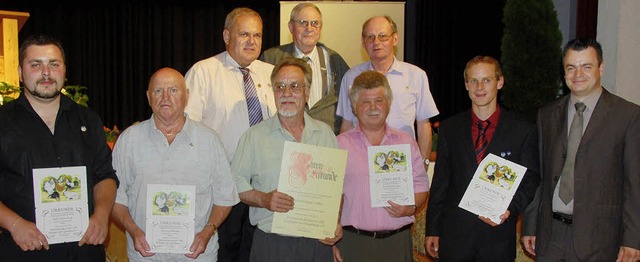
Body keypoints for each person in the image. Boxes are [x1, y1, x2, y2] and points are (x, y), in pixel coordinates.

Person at [0, 34, 119, 261]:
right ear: (19, 72)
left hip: (85, 250)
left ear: (64, 69)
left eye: (53, 64)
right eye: (36, 65)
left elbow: (105, 176)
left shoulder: (88, 119)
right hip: (22, 251)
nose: (46, 73)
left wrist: (102, 215)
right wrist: (14, 224)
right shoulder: (3, 122)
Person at [522, 38, 640, 261]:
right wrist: (530, 224)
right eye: (571, 67)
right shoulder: (546, 115)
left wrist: (633, 238)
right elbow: (539, 175)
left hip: (600, 239)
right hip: (551, 237)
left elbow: (635, 184)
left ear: (601, 68)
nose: (578, 74)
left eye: (586, 66)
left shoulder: (628, 116)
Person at [110, 68, 239, 261]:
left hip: (196, 256)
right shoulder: (129, 140)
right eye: (158, 91)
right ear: (148, 96)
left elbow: (225, 198)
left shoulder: (209, 141)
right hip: (145, 256)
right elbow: (116, 199)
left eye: (173, 90)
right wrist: (134, 230)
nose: (165, 97)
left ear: (186, 95)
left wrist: (207, 233)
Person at [424, 56, 539, 260]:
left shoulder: (522, 130)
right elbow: (441, 181)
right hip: (455, 237)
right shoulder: (450, 129)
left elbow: (530, 179)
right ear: (466, 84)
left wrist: (510, 209)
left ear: (500, 82)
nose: (479, 87)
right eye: (473, 80)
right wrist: (433, 228)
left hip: (497, 237)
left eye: (486, 80)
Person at [184, 7, 275, 262]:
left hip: (264, 186)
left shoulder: (271, 75)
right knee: (226, 255)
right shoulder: (203, 73)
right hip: (224, 188)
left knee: (257, 254)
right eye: (244, 34)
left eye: (257, 36)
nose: (251, 41)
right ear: (226, 36)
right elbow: (188, 131)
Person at [232, 57, 341, 261]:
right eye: (280, 87)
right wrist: (264, 199)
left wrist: (335, 222)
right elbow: (235, 184)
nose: (287, 93)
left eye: (295, 86)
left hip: (317, 244)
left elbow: (337, 190)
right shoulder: (254, 137)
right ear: (273, 92)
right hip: (272, 245)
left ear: (307, 93)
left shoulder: (325, 134)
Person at [335, 70, 429, 261]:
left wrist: (410, 208)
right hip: (353, 243)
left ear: (388, 103)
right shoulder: (338, 144)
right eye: (365, 102)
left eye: (379, 100)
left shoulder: (406, 142)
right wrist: (332, 241)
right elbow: (329, 196)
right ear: (354, 107)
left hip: (397, 242)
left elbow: (420, 185)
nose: (373, 107)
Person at [336, 15, 439, 166]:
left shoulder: (416, 75)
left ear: (395, 39)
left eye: (382, 36)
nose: (376, 42)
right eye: (370, 37)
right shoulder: (351, 77)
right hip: (361, 162)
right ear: (363, 42)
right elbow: (346, 125)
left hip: (401, 163)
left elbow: (423, 125)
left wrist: (423, 163)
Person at [260, 2, 350, 134]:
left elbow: (349, 105)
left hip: (325, 143)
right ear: (291, 26)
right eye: (303, 23)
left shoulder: (335, 60)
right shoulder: (271, 58)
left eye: (315, 23)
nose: (309, 28)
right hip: (283, 140)